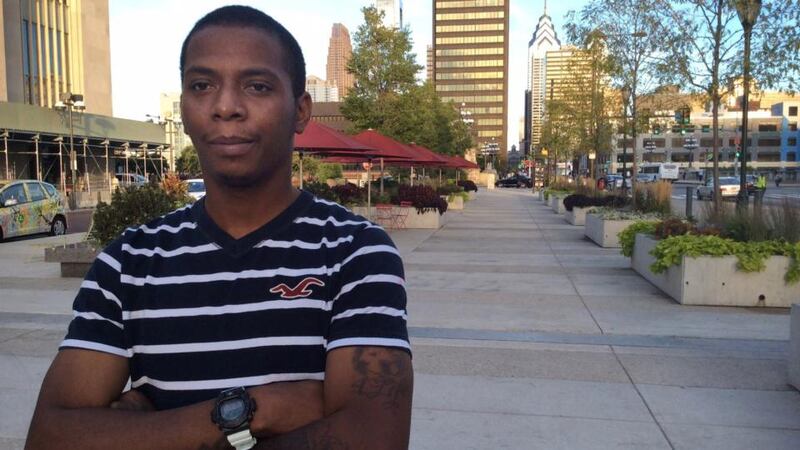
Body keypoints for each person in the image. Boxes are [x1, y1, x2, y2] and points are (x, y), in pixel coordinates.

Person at [26, 6, 412, 450]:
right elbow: (49, 437)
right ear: (186, 109)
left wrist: (141, 433)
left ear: (301, 110)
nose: (226, 106)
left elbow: (373, 439)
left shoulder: (355, 254)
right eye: (202, 86)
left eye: (257, 86)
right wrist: (255, 409)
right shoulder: (129, 263)